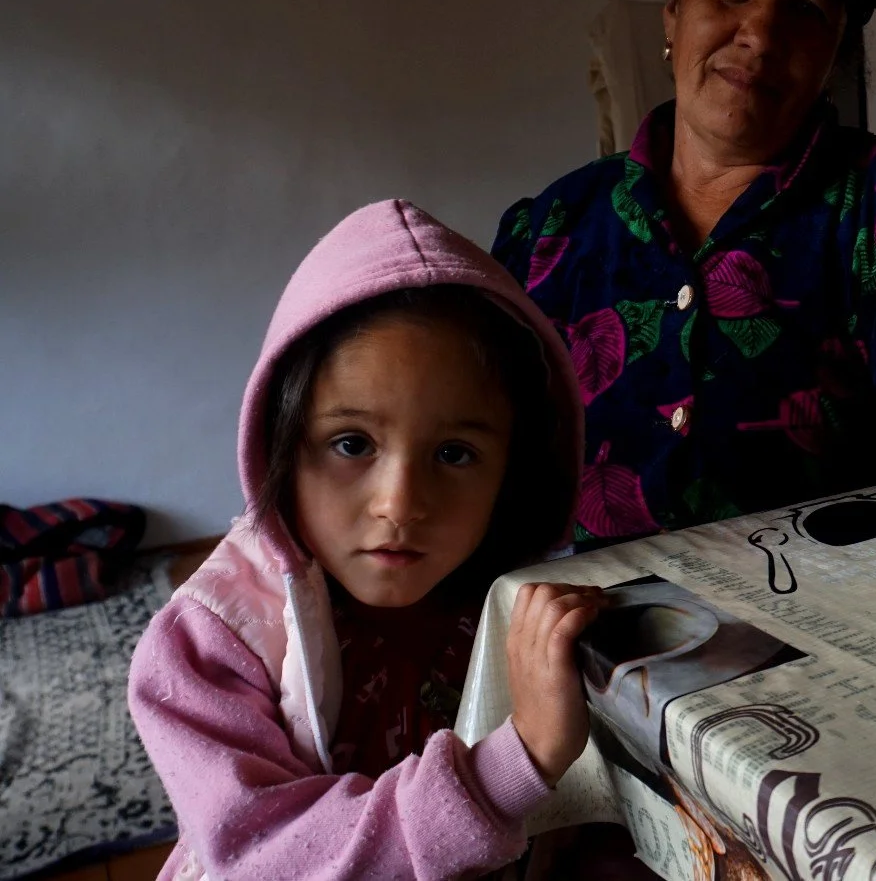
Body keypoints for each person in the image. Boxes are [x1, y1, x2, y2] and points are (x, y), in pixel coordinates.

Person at [129, 200, 604, 880]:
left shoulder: (508, 604)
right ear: (281, 445)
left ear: (516, 469)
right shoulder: (206, 648)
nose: (400, 503)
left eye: (454, 453)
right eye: (351, 443)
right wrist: (514, 761)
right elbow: (262, 854)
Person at [494, 0, 876, 538]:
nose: (762, 36)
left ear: (835, 54)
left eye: (808, 9)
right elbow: (493, 463)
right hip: (584, 629)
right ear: (673, 18)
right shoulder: (554, 230)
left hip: (824, 629)